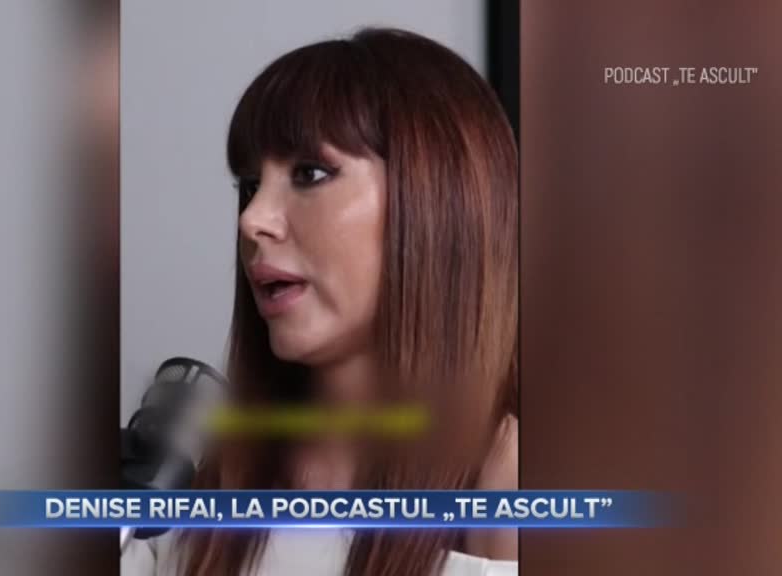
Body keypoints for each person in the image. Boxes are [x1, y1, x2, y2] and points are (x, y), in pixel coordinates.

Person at [124, 27, 518, 576]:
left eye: (310, 173)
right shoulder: (209, 471)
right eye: (249, 185)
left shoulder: (511, 480)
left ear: (436, 200)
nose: (252, 219)